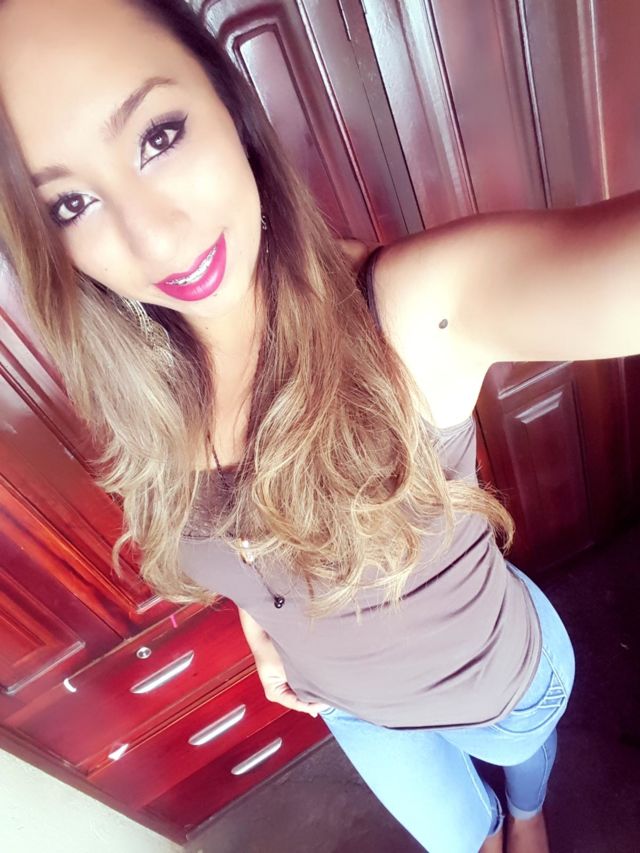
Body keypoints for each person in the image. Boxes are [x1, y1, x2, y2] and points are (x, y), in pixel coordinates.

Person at [2, 0, 637, 850]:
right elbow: (245, 553)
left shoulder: (407, 313)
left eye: (159, 136)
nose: (154, 238)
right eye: (73, 202)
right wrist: (264, 630)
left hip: (499, 680)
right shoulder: (146, 396)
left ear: (228, 102)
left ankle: (529, 815)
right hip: (353, 710)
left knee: (528, 772)